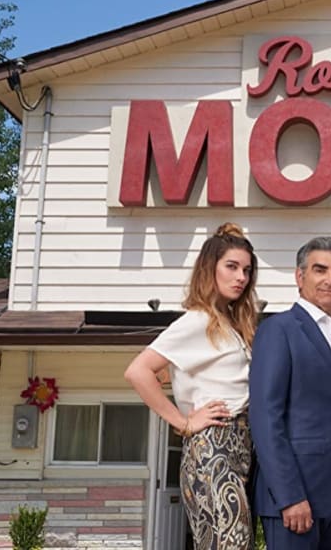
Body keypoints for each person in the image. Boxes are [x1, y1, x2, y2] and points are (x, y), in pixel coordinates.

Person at [124, 222, 258, 550]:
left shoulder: (229, 324)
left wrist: (179, 378)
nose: (241, 276)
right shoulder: (197, 321)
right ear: (209, 268)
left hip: (239, 449)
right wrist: (184, 422)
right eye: (231, 267)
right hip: (213, 448)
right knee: (231, 544)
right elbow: (138, 371)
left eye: (247, 270)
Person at [249, 236, 331, 550]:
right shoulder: (278, 330)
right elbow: (266, 418)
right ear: (300, 277)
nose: (330, 279)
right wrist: (290, 496)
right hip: (295, 500)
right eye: (320, 270)